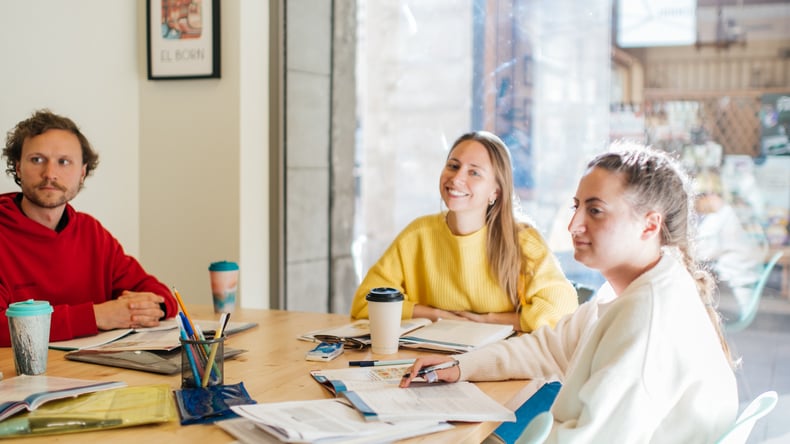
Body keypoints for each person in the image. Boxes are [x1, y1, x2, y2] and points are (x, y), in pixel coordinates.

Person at [401, 144, 739, 442]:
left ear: (650, 225)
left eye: (595, 211)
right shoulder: (633, 291)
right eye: (576, 207)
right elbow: (550, 347)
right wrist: (460, 366)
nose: (574, 225)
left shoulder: (647, 318)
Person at [350, 131, 578, 333]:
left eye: (474, 173)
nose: (457, 178)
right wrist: (435, 315)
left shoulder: (523, 241)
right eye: (453, 165)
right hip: (429, 360)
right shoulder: (418, 235)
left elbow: (562, 312)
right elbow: (364, 302)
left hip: (502, 361)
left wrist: (490, 320)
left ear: (495, 191)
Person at [0, 109, 178, 346]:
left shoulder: (91, 232)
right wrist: (97, 316)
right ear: (18, 167)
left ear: (82, 173)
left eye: (64, 162)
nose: (50, 174)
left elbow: (158, 293)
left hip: (93, 373)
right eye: (37, 160)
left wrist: (154, 307)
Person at [694, 169, 766, 313]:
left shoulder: (721, 217)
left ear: (709, 195)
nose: (696, 206)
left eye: (697, 199)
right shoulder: (732, 213)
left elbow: (702, 253)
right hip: (743, 288)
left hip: (731, 294)